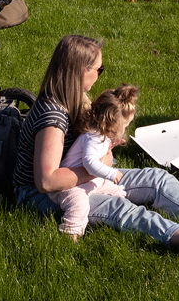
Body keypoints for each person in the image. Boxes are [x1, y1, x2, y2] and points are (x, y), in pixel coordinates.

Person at [14, 34, 179, 251]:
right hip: (44, 195)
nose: (100, 75)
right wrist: (97, 166)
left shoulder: (76, 97)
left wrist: (104, 154)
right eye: (98, 70)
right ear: (80, 71)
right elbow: (46, 181)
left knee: (157, 179)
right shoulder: (52, 116)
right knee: (120, 208)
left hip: (86, 176)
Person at [52, 85, 140, 240]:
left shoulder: (100, 134)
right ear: (113, 123)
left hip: (88, 181)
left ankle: (122, 210)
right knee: (79, 204)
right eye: (125, 124)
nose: (127, 127)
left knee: (118, 191)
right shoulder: (94, 137)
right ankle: (70, 233)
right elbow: (90, 163)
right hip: (70, 185)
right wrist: (110, 172)